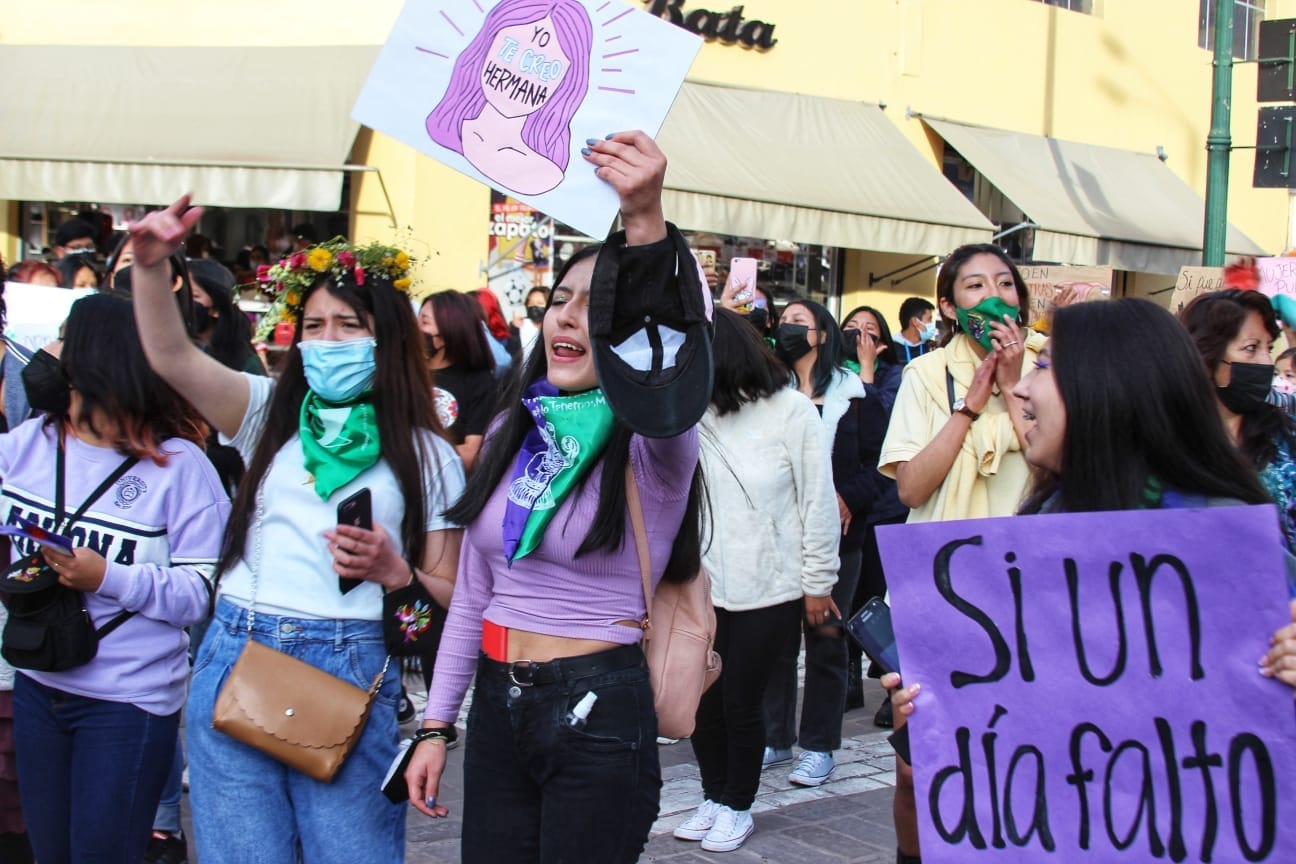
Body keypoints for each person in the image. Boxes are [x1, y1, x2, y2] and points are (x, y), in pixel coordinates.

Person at [885, 298, 1289, 864]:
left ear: (1108, 390)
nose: (1022, 389)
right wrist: (942, 703)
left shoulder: (1221, 540)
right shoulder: (1045, 522)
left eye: (1046, 367)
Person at [127, 203, 465, 864]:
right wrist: (148, 266)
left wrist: (395, 571)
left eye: (348, 325)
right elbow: (169, 356)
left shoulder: (429, 454)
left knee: (353, 854)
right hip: (238, 651)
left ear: (386, 337)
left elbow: (451, 590)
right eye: (313, 325)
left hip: (351, 667)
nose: (327, 341)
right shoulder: (263, 412)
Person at [404, 131, 706, 863]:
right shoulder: (515, 424)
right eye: (561, 300)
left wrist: (645, 216)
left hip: (600, 707)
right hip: (498, 701)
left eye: (599, 307)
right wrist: (438, 725)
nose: (569, 319)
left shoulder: (656, 438)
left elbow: (669, 338)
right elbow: (475, 595)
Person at [4, 293, 229, 864]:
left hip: (127, 705)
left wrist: (107, 576)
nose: (49, 354)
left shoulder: (181, 467)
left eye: (64, 338)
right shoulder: (27, 444)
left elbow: (199, 596)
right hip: (37, 685)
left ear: (98, 359)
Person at [877, 243, 1039, 864]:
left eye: (1004, 283)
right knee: (920, 767)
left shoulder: (1050, 368)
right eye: (974, 286)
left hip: (1026, 593)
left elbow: (1057, 467)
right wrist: (970, 404)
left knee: (1014, 758)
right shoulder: (925, 374)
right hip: (939, 593)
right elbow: (912, 487)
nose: (993, 296)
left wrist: (1017, 381)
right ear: (948, 305)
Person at [673, 308, 838, 853]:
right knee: (700, 703)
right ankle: (714, 796)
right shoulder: (689, 416)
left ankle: (738, 805)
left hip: (772, 588)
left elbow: (817, 504)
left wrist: (819, 583)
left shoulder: (792, 412)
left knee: (741, 702)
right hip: (701, 588)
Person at [761, 298, 870, 788]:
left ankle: (820, 746)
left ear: (822, 335)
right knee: (777, 643)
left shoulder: (857, 394)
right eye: (783, 321)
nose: (787, 329)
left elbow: (882, 468)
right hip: (781, 536)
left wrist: (847, 497)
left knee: (825, 640)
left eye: (798, 323)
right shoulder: (770, 391)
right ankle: (775, 737)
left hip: (838, 540)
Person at [425, 0, 593, 195]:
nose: (525, 64)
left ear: (567, 81)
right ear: (485, 49)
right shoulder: (444, 131)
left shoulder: (543, 174)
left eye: (546, 64)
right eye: (512, 48)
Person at [1180, 289, 1296, 555]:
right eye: (1250, 348)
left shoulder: (1287, 435)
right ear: (1206, 359)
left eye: (1268, 347)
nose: (1266, 362)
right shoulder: (1169, 442)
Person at [838, 305, 907, 724]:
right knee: (848, 601)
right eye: (852, 329)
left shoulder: (894, 377)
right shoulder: (828, 376)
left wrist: (866, 368)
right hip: (850, 510)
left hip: (886, 505)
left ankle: (892, 682)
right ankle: (847, 681)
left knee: (881, 603)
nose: (860, 336)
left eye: (870, 330)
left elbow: (880, 427)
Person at [419, 291, 499, 473]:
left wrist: (414, 458)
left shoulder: (479, 380)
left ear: (449, 331)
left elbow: (471, 455)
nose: (415, 329)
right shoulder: (407, 374)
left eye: (424, 322)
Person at [889, 297, 937, 365]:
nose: (932, 324)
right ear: (915, 321)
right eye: (929, 319)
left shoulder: (932, 348)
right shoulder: (890, 349)